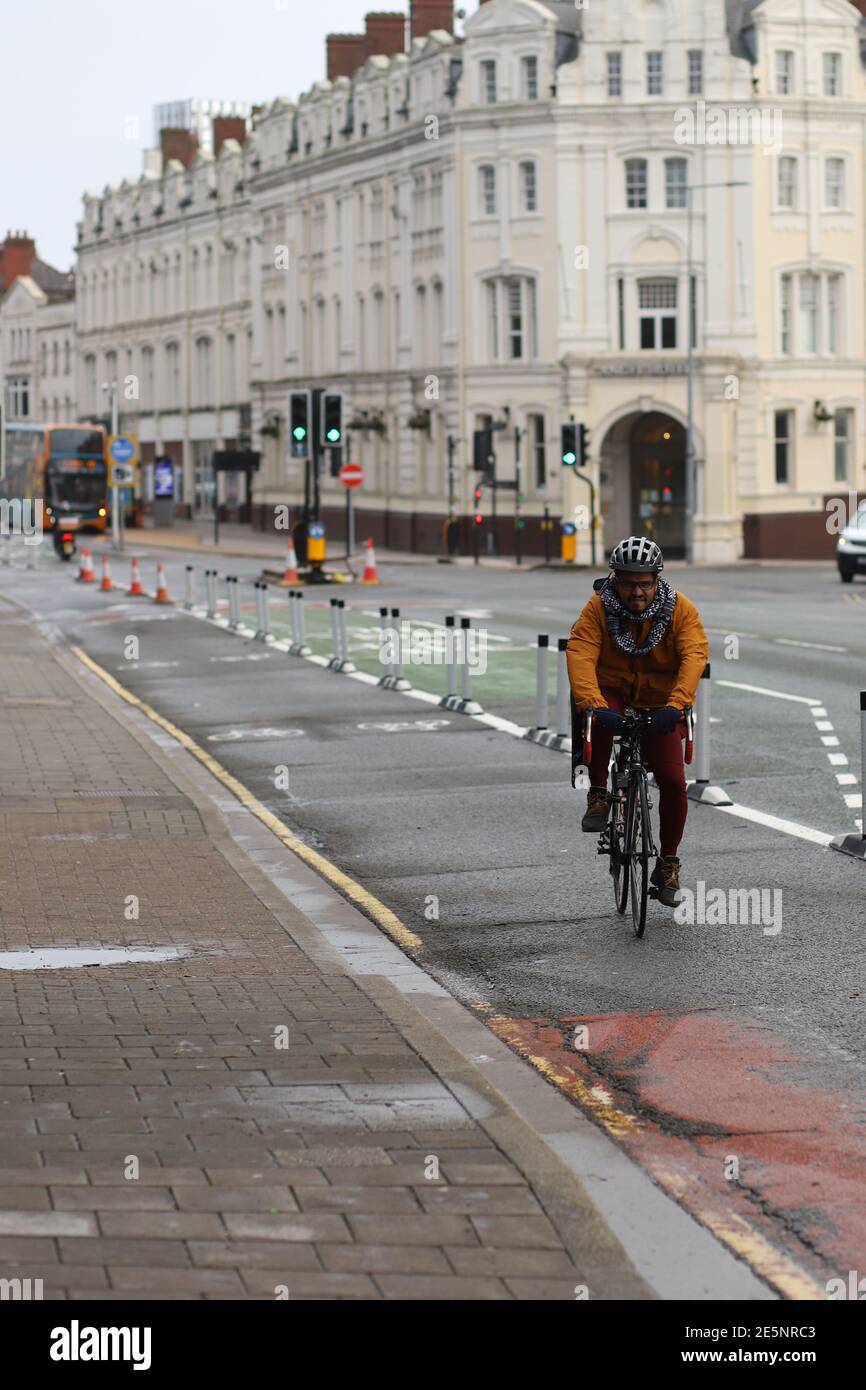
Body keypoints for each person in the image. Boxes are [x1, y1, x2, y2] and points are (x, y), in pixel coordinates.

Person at [566, 535, 709, 907]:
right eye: (629, 582)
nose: (637, 591)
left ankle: (669, 864)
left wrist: (676, 705)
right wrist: (594, 703)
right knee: (596, 719)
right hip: (612, 689)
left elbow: (694, 654)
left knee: (675, 782)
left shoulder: (680, 609)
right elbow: (580, 652)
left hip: (661, 701)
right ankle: (598, 794)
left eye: (645, 583)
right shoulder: (598, 608)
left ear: (657, 580)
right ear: (615, 579)